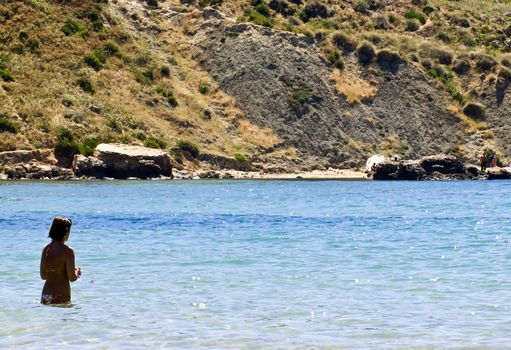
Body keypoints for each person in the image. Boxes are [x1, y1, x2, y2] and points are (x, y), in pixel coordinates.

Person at [40, 217, 82, 305]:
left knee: (46, 318)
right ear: (66, 232)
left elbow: (43, 276)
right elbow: (72, 278)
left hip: (46, 294)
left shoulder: (46, 249)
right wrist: (77, 272)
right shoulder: (68, 251)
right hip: (60, 295)